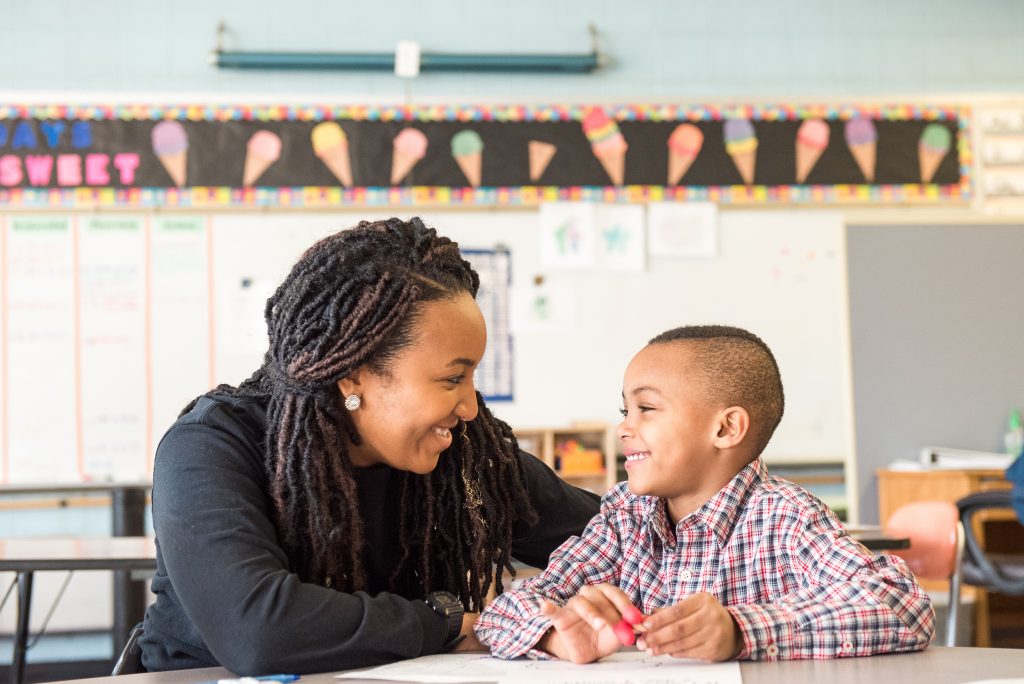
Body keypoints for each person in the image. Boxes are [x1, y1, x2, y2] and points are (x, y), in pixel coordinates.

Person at [138, 217, 600, 674]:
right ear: (353, 376)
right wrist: (451, 625)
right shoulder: (209, 447)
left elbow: (617, 538)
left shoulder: (463, 458)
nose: (470, 409)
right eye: (453, 378)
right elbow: (259, 630)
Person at [476, 325, 935, 662]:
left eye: (647, 408)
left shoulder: (785, 517)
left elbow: (901, 603)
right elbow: (503, 613)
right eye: (625, 408)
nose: (624, 426)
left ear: (726, 428)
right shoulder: (624, 517)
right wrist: (556, 634)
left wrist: (741, 631)